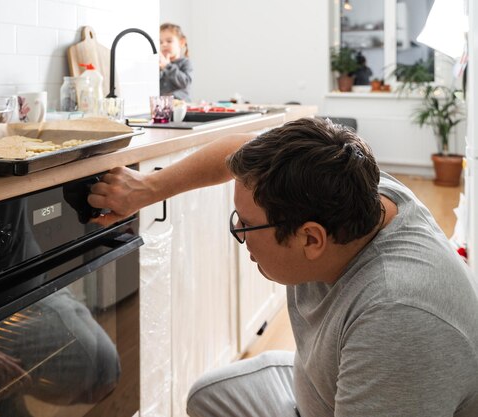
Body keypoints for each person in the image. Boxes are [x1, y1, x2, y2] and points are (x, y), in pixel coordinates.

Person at [88, 117, 478, 417]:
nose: (240, 234)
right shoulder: (353, 188)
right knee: (207, 397)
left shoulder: (398, 320)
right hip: (321, 383)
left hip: (363, 386)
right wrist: (149, 189)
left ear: (311, 239)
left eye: (248, 224)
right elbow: (236, 153)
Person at [159, 23, 193, 102]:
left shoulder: (185, 62)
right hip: (164, 106)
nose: (164, 44)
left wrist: (167, 66)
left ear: (181, 42)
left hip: (181, 105)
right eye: (160, 42)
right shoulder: (159, 65)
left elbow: (185, 82)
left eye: (169, 41)